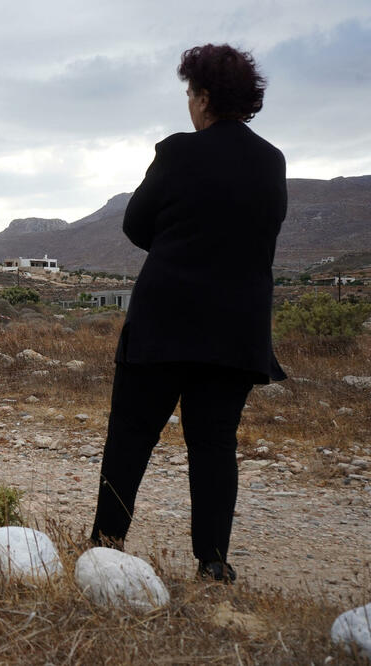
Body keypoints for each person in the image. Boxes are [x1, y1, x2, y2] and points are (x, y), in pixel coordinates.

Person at [89, 44, 287, 583]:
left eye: (190, 94)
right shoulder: (272, 160)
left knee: (131, 434)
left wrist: (177, 245)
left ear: (203, 97)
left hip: (165, 320)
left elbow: (135, 223)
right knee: (215, 443)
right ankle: (214, 563)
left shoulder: (178, 152)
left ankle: (106, 547)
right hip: (236, 330)